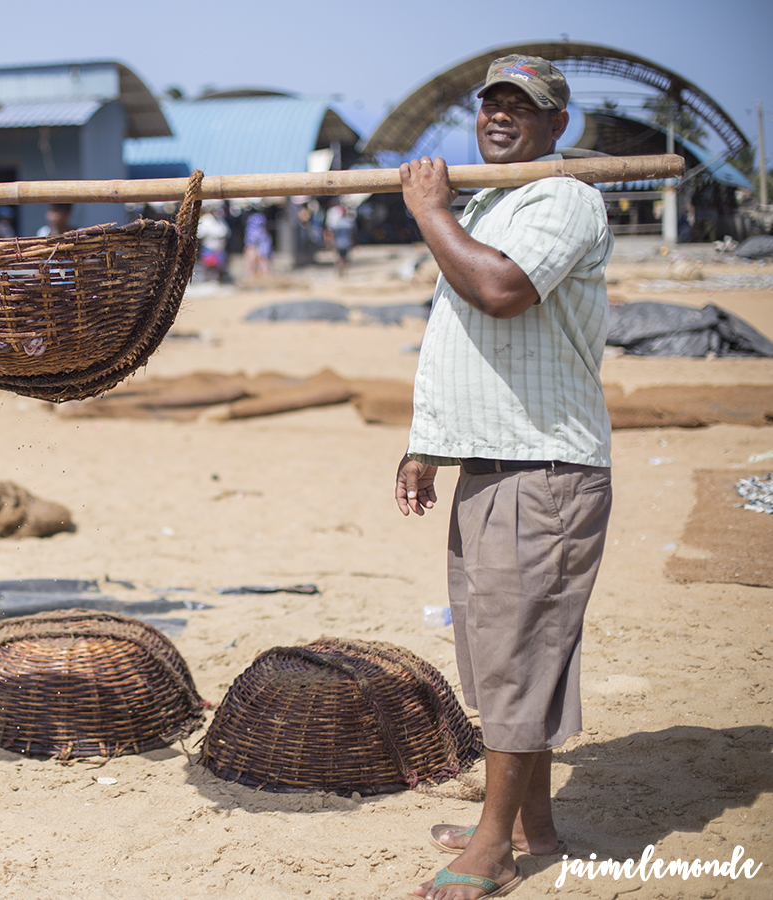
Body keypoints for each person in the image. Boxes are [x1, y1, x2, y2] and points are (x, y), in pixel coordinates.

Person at [394, 56, 613, 900]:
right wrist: (426, 445)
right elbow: (461, 344)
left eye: (523, 107)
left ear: (559, 125)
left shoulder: (563, 198)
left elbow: (498, 290)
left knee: (521, 655)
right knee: (508, 653)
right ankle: (533, 824)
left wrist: (428, 209)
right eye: (492, 103)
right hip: (491, 464)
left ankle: (492, 848)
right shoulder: (487, 202)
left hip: (544, 469)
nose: (501, 116)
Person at [324, 200, 356, 279]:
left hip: (339, 243)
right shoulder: (349, 222)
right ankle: (343, 271)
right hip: (346, 243)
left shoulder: (337, 222)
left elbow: (332, 234)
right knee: (344, 258)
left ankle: (341, 271)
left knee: (339, 258)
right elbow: (353, 234)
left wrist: (329, 243)